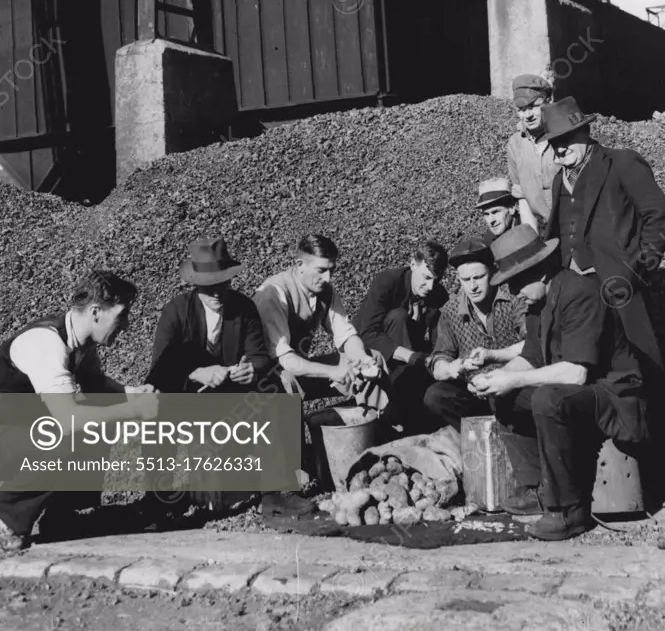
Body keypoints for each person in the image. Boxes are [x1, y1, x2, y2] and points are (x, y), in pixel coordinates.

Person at [470, 225, 648, 542]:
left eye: (515, 280)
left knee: (547, 399)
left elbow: (576, 373)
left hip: (613, 394)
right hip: (582, 391)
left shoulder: (580, 293)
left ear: (539, 272)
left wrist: (513, 378)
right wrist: (494, 379)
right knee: (506, 395)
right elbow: (531, 357)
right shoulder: (540, 303)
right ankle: (536, 487)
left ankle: (569, 510)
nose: (512, 291)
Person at [0, 270, 157, 552]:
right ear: (96, 312)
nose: (127, 324)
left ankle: (65, 514)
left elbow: (96, 384)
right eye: (121, 315)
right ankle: (6, 519)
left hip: (16, 427)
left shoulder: (80, 339)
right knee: (63, 436)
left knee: (99, 416)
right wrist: (133, 409)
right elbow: (69, 420)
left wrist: (131, 393)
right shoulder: (46, 344)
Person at [541, 96, 665, 381]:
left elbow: (661, 216)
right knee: (583, 369)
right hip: (577, 293)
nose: (561, 147)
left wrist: (637, 269)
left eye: (566, 138)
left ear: (585, 132)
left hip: (618, 287)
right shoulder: (558, 180)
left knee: (635, 369)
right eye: (554, 141)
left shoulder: (621, 162)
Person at [144, 237, 273, 526]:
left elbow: (261, 356)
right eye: (209, 286)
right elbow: (158, 369)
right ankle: (158, 498)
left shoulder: (243, 308)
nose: (217, 292)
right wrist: (194, 372)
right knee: (156, 418)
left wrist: (251, 369)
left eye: (223, 283)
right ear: (195, 284)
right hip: (186, 397)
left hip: (230, 396)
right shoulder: (175, 311)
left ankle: (271, 491)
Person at [255, 235, 380, 489]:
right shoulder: (274, 293)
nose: (328, 278)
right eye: (321, 270)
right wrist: (334, 371)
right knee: (288, 382)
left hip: (300, 367)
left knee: (367, 357)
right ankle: (294, 469)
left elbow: (345, 334)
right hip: (264, 379)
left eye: (332, 270)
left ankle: (373, 438)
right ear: (299, 265)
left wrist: (363, 360)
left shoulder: (325, 290)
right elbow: (285, 359)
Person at [422, 238, 524, 431]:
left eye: (479, 277)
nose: (473, 287)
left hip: (512, 385)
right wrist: (454, 368)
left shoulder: (513, 299)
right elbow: (438, 361)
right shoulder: (450, 311)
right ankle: (478, 436)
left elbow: (532, 345)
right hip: (474, 393)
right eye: (465, 280)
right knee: (435, 395)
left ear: (493, 272)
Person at [354, 241, 448, 432]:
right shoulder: (387, 281)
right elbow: (368, 332)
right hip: (368, 347)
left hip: (410, 348)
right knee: (399, 317)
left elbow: (439, 339)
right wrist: (410, 356)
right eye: (426, 277)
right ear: (413, 264)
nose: (430, 286)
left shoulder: (438, 295)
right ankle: (400, 408)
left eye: (436, 280)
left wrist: (438, 361)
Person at [506, 74, 559, 233]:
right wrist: (534, 242)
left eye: (533, 106)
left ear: (548, 101)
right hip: (544, 232)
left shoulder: (565, 136)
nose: (527, 115)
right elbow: (522, 196)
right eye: (521, 110)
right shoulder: (515, 145)